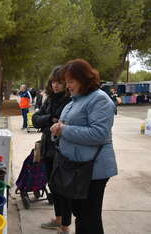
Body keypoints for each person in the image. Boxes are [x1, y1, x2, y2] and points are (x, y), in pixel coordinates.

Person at [50, 59, 118, 234]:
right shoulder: (76, 99)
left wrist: (64, 129)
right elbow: (66, 125)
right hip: (77, 168)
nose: (68, 85)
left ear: (84, 79)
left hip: (93, 170)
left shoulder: (99, 100)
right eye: (66, 81)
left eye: (71, 81)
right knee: (81, 214)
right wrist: (58, 129)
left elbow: (99, 134)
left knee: (89, 218)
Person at [32, 66, 72, 234]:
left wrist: (48, 122)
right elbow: (35, 120)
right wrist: (49, 118)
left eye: (60, 82)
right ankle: (58, 219)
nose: (55, 85)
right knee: (53, 185)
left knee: (63, 189)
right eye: (53, 82)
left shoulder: (69, 101)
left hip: (61, 150)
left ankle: (65, 225)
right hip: (47, 149)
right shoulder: (49, 99)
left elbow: (62, 126)